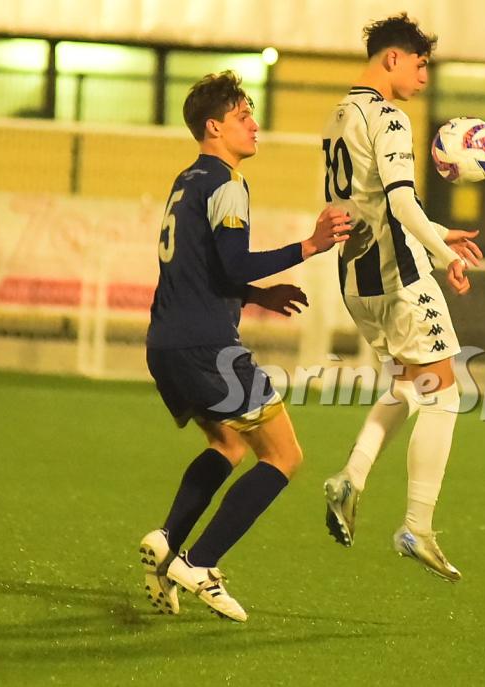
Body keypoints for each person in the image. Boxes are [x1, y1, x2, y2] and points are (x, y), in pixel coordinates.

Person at [138, 71, 350, 623]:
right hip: (207, 347)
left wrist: (259, 294)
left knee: (228, 443)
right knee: (284, 456)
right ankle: (201, 562)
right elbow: (232, 264)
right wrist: (310, 245)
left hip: (165, 344)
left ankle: (168, 542)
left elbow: (208, 269)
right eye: (242, 116)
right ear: (214, 127)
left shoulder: (188, 179)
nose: (255, 125)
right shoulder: (227, 183)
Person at [319, 14, 482, 582]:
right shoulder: (388, 116)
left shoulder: (338, 115)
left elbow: (372, 205)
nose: (423, 78)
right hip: (399, 277)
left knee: (412, 384)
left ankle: (352, 477)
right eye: (420, 64)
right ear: (393, 58)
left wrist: (438, 233)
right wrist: (443, 254)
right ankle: (418, 526)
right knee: (445, 394)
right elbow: (401, 201)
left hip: (356, 281)